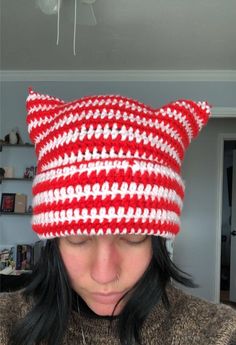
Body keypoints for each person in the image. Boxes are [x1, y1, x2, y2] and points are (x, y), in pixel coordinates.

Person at [0, 89, 236, 345]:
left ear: (157, 239)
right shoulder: (7, 321)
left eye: (132, 235)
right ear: (54, 242)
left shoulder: (216, 331)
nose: (104, 275)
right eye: (78, 237)